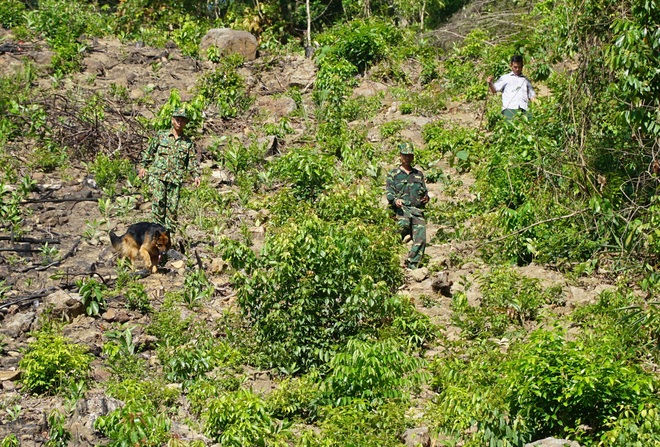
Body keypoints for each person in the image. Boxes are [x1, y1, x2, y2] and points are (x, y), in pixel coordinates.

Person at [138, 107, 200, 231]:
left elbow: (192, 161)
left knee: (172, 208)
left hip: (175, 179)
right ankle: (156, 235)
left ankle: (169, 237)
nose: (179, 122)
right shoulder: (161, 136)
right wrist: (144, 166)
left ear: (186, 123)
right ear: (172, 120)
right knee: (158, 204)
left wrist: (196, 176)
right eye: (177, 119)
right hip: (159, 176)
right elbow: (150, 151)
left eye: (182, 120)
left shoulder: (188, 143)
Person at [386, 142, 430, 270]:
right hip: (401, 210)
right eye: (405, 155)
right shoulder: (394, 174)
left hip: (416, 210)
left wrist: (426, 198)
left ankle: (412, 265)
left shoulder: (418, 174)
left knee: (421, 237)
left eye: (410, 155)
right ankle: (390, 260)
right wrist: (395, 200)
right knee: (399, 230)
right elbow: (389, 193)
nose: (407, 158)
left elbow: (424, 192)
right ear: (400, 156)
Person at [487, 55, 536, 120]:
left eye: (519, 67)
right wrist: (490, 83)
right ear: (511, 66)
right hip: (510, 109)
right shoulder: (505, 78)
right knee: (510, 128)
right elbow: (494, 90)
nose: (517, 69)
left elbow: (532, 96)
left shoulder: (526, 80)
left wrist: (537, 107)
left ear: (522, 66)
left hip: (524, 109)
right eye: (515, 67)